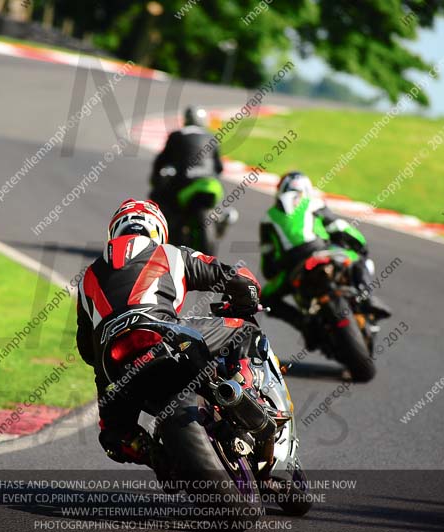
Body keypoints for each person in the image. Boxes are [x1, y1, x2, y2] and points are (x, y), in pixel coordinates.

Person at [76, 198, 261, 468]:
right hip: (166, 336)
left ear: (114, 232)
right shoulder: (171, 253)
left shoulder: (87, 278)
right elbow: (234, 276)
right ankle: (240, 390)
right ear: (158, 230)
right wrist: (249, 293)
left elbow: (85, 350)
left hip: (112, 362)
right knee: (245, 330)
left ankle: (155, 457)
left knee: (115, 435)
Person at [259, 171, 391, 350]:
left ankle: (303, 324)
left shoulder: (268, 218)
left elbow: (267, 264)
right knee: (360, 259)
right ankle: (367, 297)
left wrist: (277, 271)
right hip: (322, 251)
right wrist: (360, 245)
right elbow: (339, 227)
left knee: (265, 298)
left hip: (292, 267)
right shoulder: (314, 203)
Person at [150, 106, 236, 243]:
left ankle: (162, 231)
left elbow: (161, 161)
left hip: (185, 182)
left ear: (186, 119)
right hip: (210, 184)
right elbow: (219, 167)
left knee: (158, 197)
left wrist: (155, 180)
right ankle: (221, 217)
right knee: (218, 202)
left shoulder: (177, 135)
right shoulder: (211, 137)